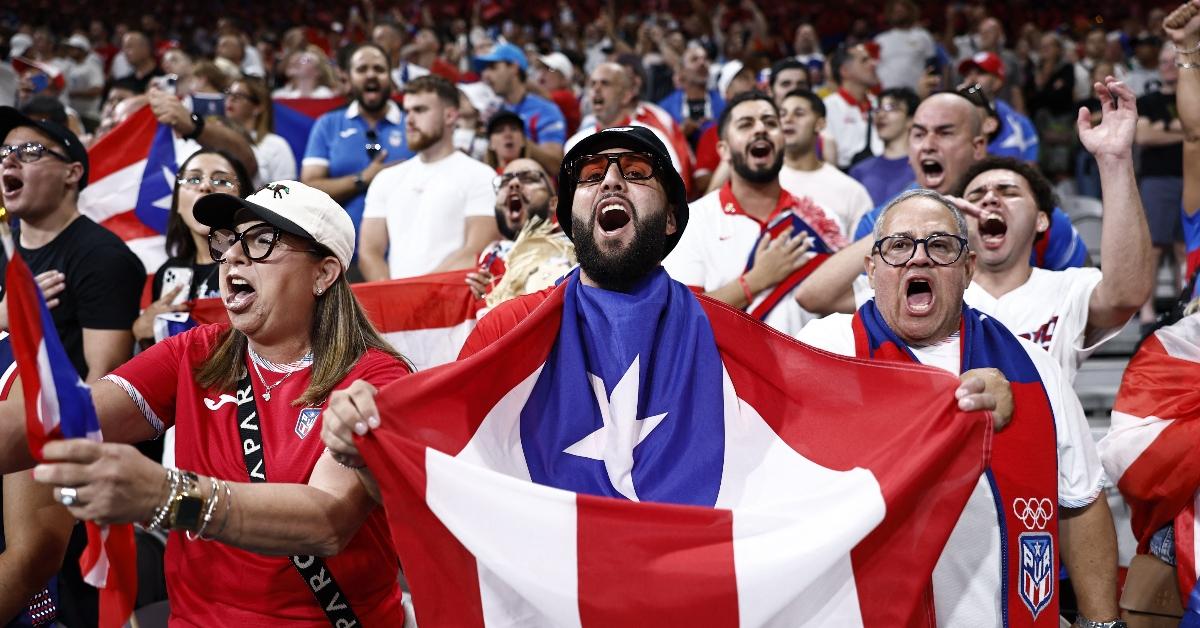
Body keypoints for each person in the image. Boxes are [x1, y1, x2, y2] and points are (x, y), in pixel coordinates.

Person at [8, 181, 412, 625]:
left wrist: (166, 495)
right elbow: (57, 424)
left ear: (324, 273)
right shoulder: (196, 352)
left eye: (262, 241)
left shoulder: (377, 379)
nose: (232, 257)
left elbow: (327, 521)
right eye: (227, 242)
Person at [795, 189, 1119, 628]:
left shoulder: (1032, 365)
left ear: (968, 270)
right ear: (870, 269)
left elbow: (1081, 500)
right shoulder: (822, 351)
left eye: (940, 246)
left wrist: (1102, 624)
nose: (919, 258)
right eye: (899, 246)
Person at [663, 91, 845, 336]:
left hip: (806, 371)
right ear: (724, 150)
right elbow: (681, 318)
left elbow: (842, 318)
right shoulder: (692, 223)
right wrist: (757, 280)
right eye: (745, 124)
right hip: (724, 373)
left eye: (770, 123)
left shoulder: (822, 220)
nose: (760, 129)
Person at [0, 107, 144, 382]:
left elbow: (103, 384)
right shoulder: (2, 245)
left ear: (72, 173)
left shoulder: (103, 258)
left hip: (58, 424)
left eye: (30, 151)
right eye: (4, 153)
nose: (9, 162)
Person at [359, 75, 498, 281]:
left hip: (454, 301)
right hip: (399, 303)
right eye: (407, 111)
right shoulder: (386, 179)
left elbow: (476, 250)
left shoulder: (481, 175)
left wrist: (416, 293)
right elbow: (369, 252)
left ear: (450, 116)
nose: (410, 120)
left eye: (420, 110)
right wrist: (392, 295)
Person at [300, 42, 413, 263]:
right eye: (362, 69)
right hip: (339, 254)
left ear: (390, 77)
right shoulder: (328, 124)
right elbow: (310, 187)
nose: (371, 75)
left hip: (406, 250)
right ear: (348, 78)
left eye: (379, 69)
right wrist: (363, 179)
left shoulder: (412, 122)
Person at [132, 149, 252, 348]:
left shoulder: (256, 265)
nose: (205, 186)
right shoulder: (167, 272)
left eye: (222, 181)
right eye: (193, 180)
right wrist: (141, 331)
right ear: (177, 202)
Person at [467, 157, 575, 306]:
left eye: (529, 178)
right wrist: (482, 302)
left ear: (553, 204)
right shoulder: (486, 261)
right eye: (504, 182)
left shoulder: (579, 254)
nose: (513, 183)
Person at [1135, 41, 1186, 328]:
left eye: (1174, 60)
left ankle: (1185, 308)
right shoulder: (1147, 100)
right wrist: (1182, 129)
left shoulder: (1193, 97)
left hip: (1192, 178)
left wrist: (1161, 128)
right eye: (1164, 60)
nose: (1168, 64)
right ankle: (1147, 312)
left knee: (1184, 246)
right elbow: (1143, 137)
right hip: (1158, 180)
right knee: (1153, 248)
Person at [777, 89, 874, 236]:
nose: (787, 119)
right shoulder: (761, 183)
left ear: (820, 124)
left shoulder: (851, 191)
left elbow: (862, 252)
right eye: (782, 114)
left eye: (799, 113)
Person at [565, 63, 682, 174]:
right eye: (592, 83)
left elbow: (675, 184)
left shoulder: (652, 138)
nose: (596, 89)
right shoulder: (575, 144)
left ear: (626, 96)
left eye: (605, 83)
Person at [477, 43, 567, 176]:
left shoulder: (545, 110)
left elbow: (556, 165)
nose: (486, 75)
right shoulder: (493, 111)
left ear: (513, 67)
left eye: (493, 68)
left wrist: (518, 140)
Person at [959, 51, 1040, 163]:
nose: (972, 79)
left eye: (980, 73)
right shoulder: (948, 115)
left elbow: (1030, 168)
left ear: (997, 82)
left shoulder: (1018, 123)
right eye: (968, 74)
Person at [849, 87, 919, 205]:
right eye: (877, 109)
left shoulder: (922, 169)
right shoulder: (859, 171)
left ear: (911, 120)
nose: (881, 114)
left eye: (891, 108)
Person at [224, 77, 297, 187]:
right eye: (229, 93)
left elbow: (286, 190)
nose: (230, 99)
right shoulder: (219, 139)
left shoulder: (276, 145)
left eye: (238, 96)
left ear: (258, 107)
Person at [822, 42, 883, 169]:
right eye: (864, 60)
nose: (874, 64)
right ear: (845, 71)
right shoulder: (827, 108)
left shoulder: (880, 104)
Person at [657, 43, 723, 146]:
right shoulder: (665, 108)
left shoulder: (722, 103)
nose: (702, 63)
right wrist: (680, 134)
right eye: (694, 59)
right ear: (682, 71)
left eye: (705, 59)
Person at [873, 0, 937, 91]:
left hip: (915, 93)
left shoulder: (923, 36)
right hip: (886, 93)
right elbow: (873, 68)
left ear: (910, 12)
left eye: (901, 11)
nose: (898, 13)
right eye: (895, 11)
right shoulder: (880, 39)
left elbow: (932, 65)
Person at [272, 46, 337, 99]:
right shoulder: (279, 96)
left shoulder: (326, 96)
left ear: (318, 72)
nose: (297, 62)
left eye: (305, 60)